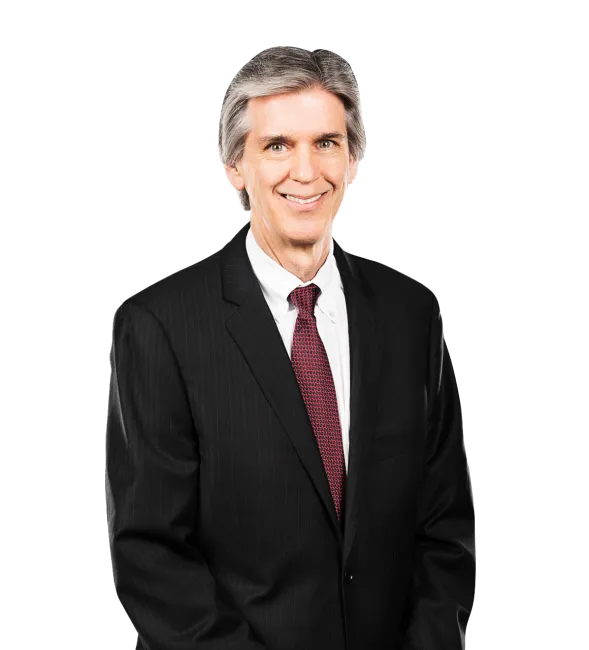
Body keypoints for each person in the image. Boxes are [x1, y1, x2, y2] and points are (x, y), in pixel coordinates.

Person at [106, 45, 476, 650]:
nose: (306, 172)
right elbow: (153, 557)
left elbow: (444, 529)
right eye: (277, 145)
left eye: (326, 142)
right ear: (234, 164)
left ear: (353, 158)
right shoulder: (160, 325)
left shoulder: (409, 314)